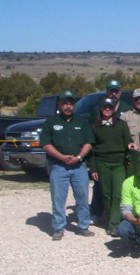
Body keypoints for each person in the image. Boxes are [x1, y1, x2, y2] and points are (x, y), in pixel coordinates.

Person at [40, 91, 95, 240]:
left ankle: (83, 226)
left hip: (79, 167)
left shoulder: (82, 122)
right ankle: (58, 228)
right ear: (60, 105)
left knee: (82, 197)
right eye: (65, 103)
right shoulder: (51, 122)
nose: (68, 106)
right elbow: (45, 144)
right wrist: (61, 157)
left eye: (71, 104)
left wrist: (78, 157)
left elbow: (89, 143)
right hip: (59, 166)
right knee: (58, 199)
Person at [88, 97, 134, 236]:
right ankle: (111, 219)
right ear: (101, 108)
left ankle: (114, 224)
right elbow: (91, 149)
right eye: (105, 106)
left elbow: (128, 140)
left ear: (114, 108)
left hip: (118, 163)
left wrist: (130, 145)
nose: (107, 109)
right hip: (102, 164)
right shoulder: (94, 126)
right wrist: (93, 168)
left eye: (110, 106)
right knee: (106, 194)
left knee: (118, 193)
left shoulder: (121, 124)